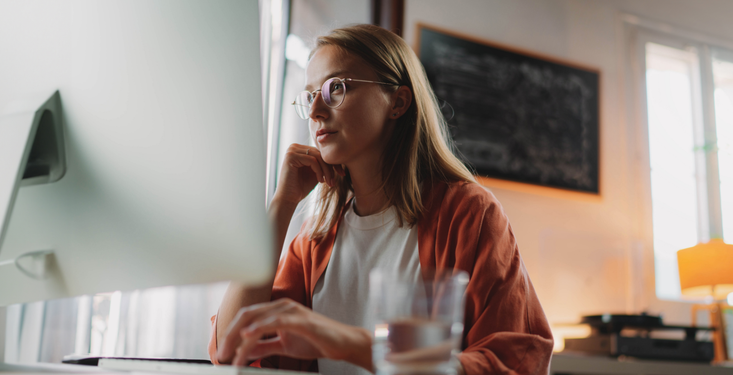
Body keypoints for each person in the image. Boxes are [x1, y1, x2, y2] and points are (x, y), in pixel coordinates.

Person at [208, 24, 553, 375]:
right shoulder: (317, 238)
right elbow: (229, 348)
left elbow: (514, 363)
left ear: (398, 101)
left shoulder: (469, 214)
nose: (315, 112)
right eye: (309, 95)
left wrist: (348, 343)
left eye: (336, 88)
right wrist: (281, 205)